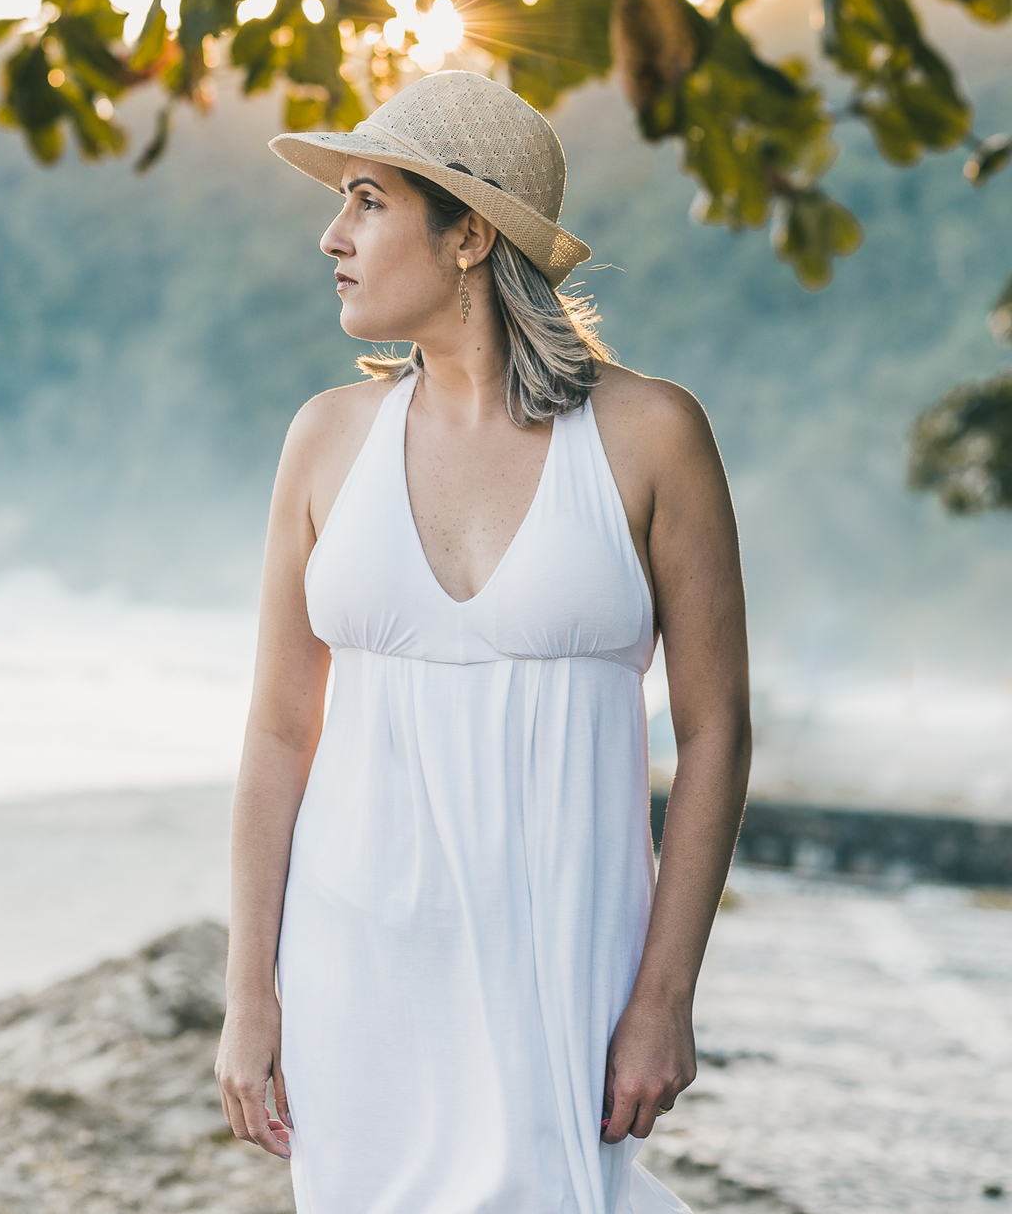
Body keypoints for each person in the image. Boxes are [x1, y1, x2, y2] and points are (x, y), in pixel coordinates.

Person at [215, 69, 751, 1213]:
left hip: (563, 951)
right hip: (352, 952)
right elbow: (275, 733)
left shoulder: (651, 434)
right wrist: (249, 993)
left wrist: (665, 993)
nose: (332, 236)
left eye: (367, 201)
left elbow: (714, 732)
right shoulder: (325, 439)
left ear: (468, 234)